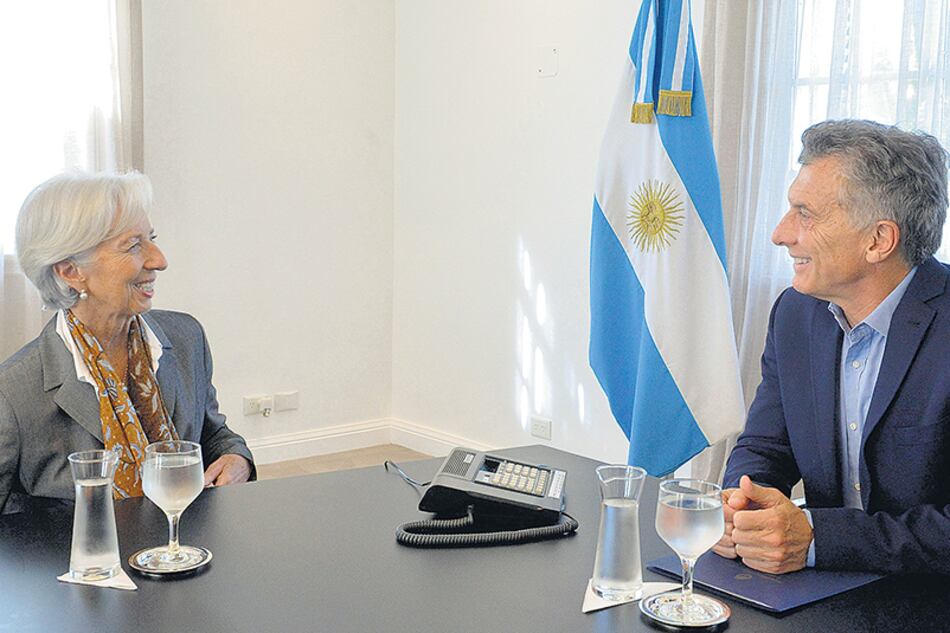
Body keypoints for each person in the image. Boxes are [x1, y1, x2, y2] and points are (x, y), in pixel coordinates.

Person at [716, 119, 950, 575]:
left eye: (805, 214)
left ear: (879, 240)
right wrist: (744, 506)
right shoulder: (795, 313)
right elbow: (765, 445)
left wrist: (820, 539)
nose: (780, 233)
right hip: (818, 594)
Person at [0, 172, 254, 514]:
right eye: (133, 245)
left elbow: (213, 436)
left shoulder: (185, 336)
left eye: (151, 238)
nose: (159, 260)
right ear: (70, 271)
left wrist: (236, 458)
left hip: (188, 555)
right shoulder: (13, 393)